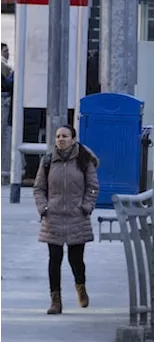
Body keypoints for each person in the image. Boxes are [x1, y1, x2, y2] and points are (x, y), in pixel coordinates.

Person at [34, 125, 100, 315]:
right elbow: (39, 188)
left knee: (76, 259)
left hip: (76, 217)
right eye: (57, 136)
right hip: (53, 217)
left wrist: (86, 207)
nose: (61, 139)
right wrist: (43, 208)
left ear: (73, 138)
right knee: (54, 259)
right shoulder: (48, 161)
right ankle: (56, 300)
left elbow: (93, 186)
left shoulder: (83, 160)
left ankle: (80, 286)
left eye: (65, 136)